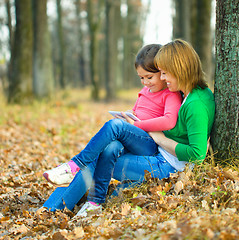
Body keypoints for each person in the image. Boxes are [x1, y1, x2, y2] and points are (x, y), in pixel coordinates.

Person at [42, 44, 182, 216]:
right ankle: (88, 203)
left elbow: (169, 121)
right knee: (109, 149)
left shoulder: (170, 93)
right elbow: (139, 111)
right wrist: (129, 116)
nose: (145, 82)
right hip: (135, 138)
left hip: (150, 144)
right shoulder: (145, 91)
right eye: (141, 78)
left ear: (162, 72)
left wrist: (133, 125)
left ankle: (75, 165)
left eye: (149, 77)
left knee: (114, 126)